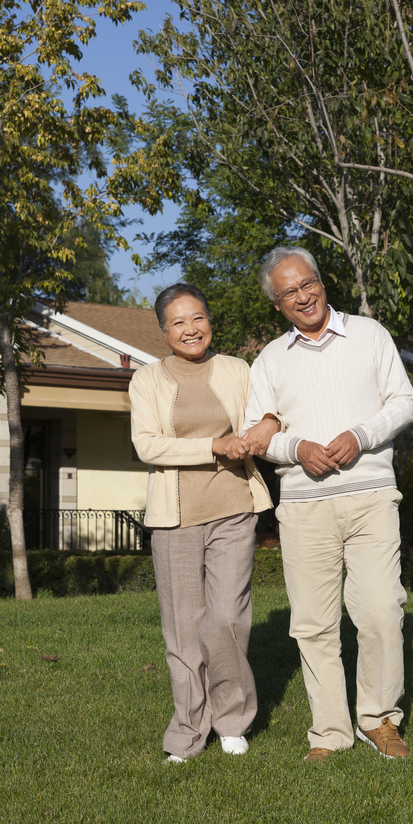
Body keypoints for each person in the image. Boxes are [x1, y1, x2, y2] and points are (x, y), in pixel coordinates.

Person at [241, 248, 413, 762]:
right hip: (303, 504)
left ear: (321, 281)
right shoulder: (271, 359)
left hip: (370, 496)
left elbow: (405, 402)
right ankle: (330, 732)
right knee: (314, 623)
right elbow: (260, 434)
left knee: (382, 609)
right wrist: (297, 449)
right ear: (278, 305)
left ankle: (379, 720)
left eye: (308, 283)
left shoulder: (369, 334)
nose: (303, 296)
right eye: (289, 292)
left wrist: (361, 436)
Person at [130, 284, 277, 764]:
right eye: (178, 321)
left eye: (197, 318)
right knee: (182, 628)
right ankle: (188, 731)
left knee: (227, 617)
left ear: (210, 321)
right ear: (163, 330)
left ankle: (232, 718)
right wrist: (213, 446)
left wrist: (269, 423)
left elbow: (267, 412)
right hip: (175, 520)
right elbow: (148, 446)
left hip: (234, 507)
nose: (190, 329)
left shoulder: (237, 369)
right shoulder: (147, 379)